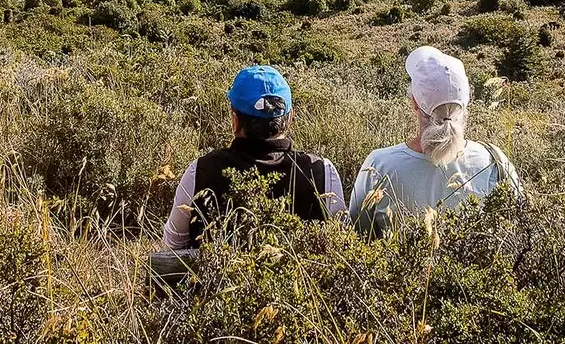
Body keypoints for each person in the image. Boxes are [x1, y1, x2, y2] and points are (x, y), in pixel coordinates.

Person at [160, 65, 347, 250]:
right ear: (290, 118)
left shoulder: (200, 170)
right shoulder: (322, 171)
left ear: (235, 121)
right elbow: (341, 241)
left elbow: (173, 244)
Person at [350, 46, 522, 236]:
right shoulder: (494, 162)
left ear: (414, 103)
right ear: (465, 105)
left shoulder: (379, 166)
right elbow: (519, 225)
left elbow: (359, 235)